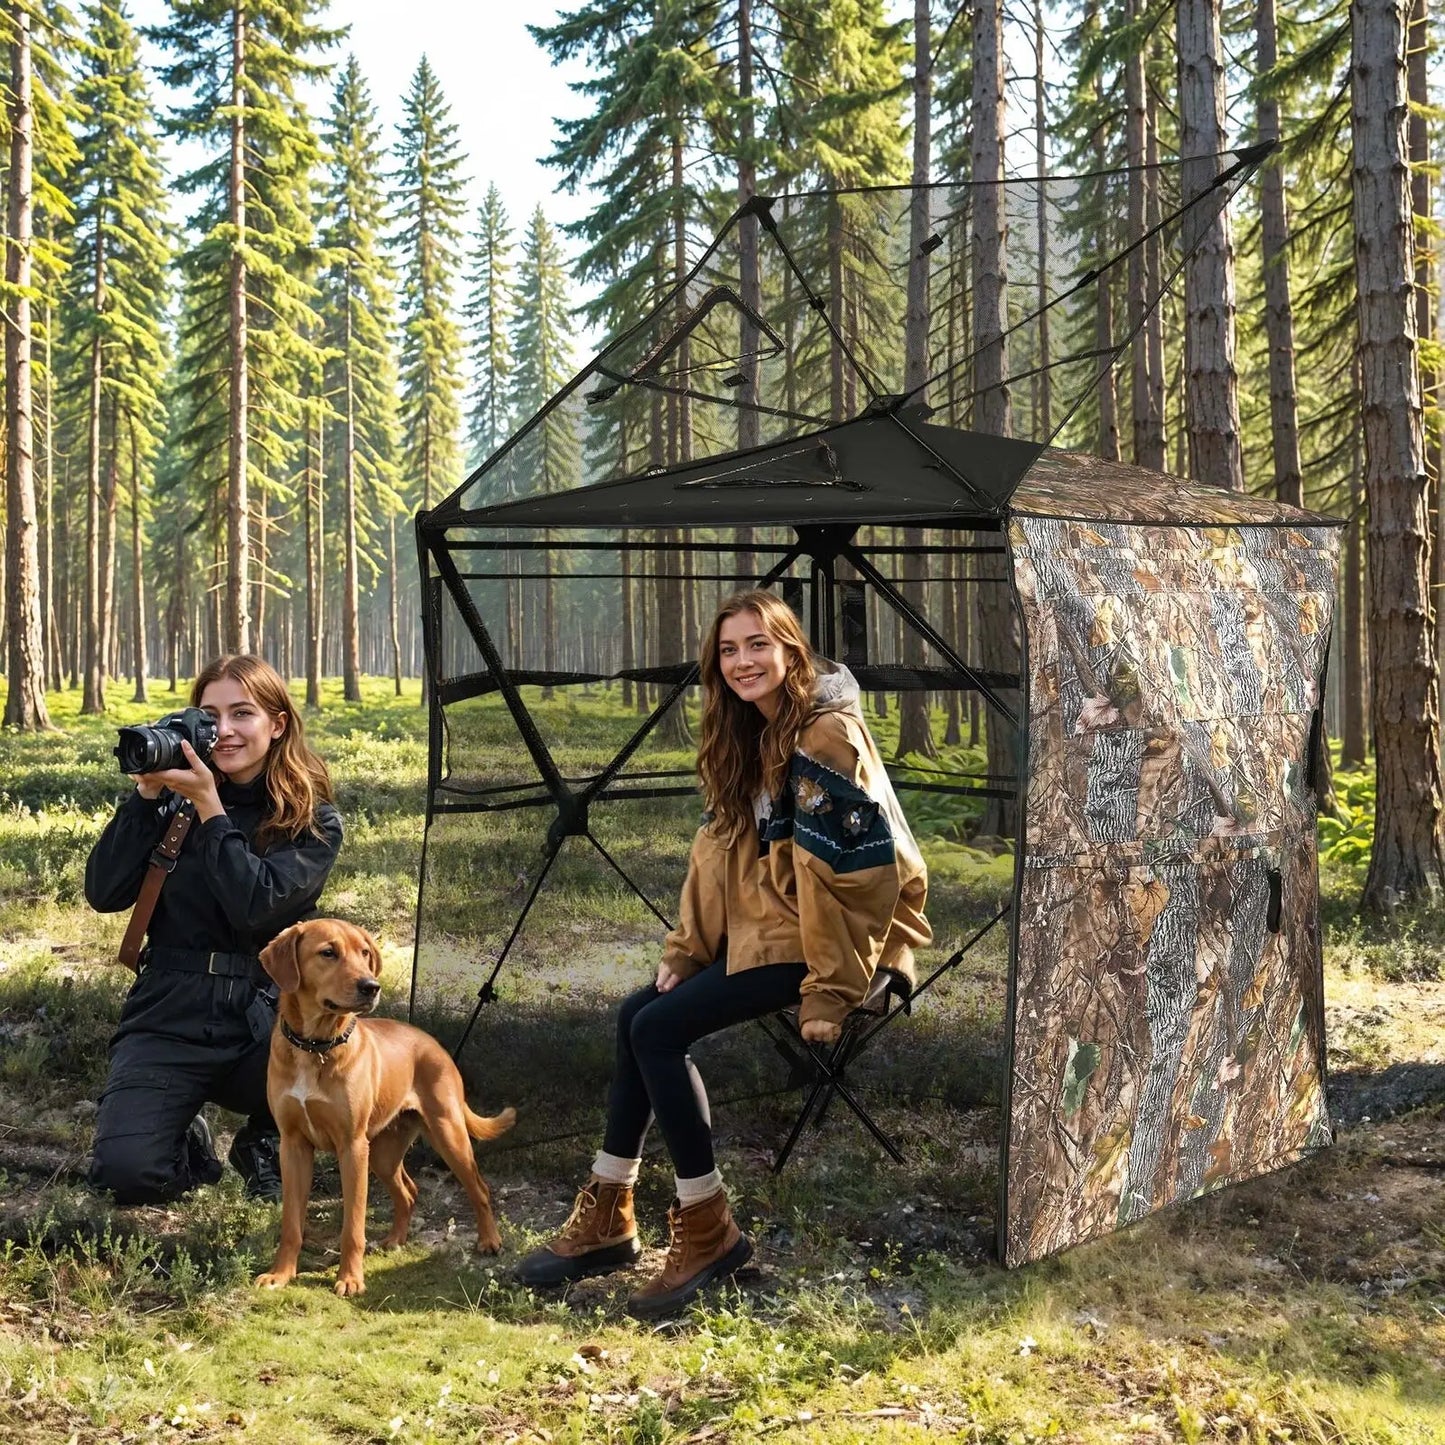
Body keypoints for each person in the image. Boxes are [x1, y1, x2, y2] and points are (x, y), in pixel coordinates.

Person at [516, 589, 931, 1317]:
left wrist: (830, 989)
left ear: (791, 651)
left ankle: (707, 1228)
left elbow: (855, 873)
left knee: (658, 1029)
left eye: (757, 645)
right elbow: (717, 855)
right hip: (777, 928)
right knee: (636, 1014)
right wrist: (686, 949)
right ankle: (610, 1213)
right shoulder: (750, 734)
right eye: (729, 649)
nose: (743, 661)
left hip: (839, 941)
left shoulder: (826, 736)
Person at [85, 655, 343, 1204]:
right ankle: (189, 1144)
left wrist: (209, 806)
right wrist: (145, 798)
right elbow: (104, 893)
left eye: (242, 713)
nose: (224, 730)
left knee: (337, 1056)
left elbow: (257, 907)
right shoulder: (171, 803)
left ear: (277, 724)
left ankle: (264, 1140)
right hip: (169, 1009)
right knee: (126, 1174)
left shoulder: (310, 821)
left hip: (264, 1016)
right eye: (210, 715)